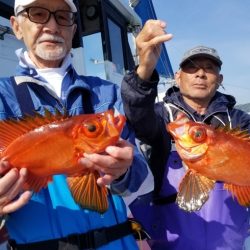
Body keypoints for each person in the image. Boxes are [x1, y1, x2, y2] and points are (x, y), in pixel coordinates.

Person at [0, 0, 149, 249]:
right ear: (16, 26)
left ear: (73, 28)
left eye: (62, 16)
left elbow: (145, 185)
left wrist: (124, 171)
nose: (51, 26)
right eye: (37, 14)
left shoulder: (107, 92)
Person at [121, 20, 250, 250]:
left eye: (210, 68)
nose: (201, 73)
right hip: (170, 240)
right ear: (178, 76)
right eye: (192, 67)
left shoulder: (239, 120)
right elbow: (137, 114)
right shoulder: (161, 116)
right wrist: (144, 70)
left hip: (230, 241)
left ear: (219, 80)